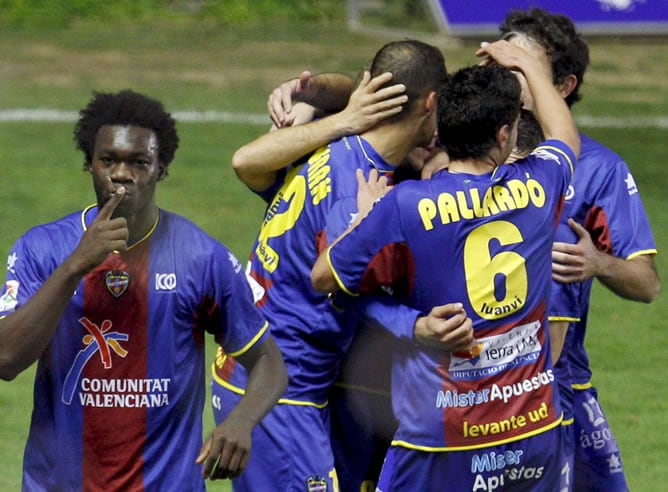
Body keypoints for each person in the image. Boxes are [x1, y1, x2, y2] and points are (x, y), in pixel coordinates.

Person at [312, 36, 580, 491]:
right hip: (532, 428)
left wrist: (363, 218)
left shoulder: (404, 206)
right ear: (503, 135)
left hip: (442, 437)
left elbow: (325, 278)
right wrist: (527, 65)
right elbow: (565, 137)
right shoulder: (541, 183)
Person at [0, 89, 287, 490]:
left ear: (161, 168)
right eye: (108, 160)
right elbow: (5, 358)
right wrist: (76, 266)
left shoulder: (200, 258)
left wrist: (241, 420)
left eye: (139, 162)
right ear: (90, 164)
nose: (122, 174)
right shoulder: (43, 250)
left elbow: (269, 361)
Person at [211, 40, 450, 491]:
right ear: (431, 104)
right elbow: (335, 282)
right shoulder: (358, 189)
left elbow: (249, 161)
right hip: (281, 390)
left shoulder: (331, 148)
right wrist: (417, 327)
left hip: (250, 372)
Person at [499, 9, 660, 491]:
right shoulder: (459, 147)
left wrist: (598, 263)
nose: (506, 78)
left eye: (521, 67)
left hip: (560, 382)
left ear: (563, 86)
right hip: (473, 388)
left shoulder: (599, 170)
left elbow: (646, 283)